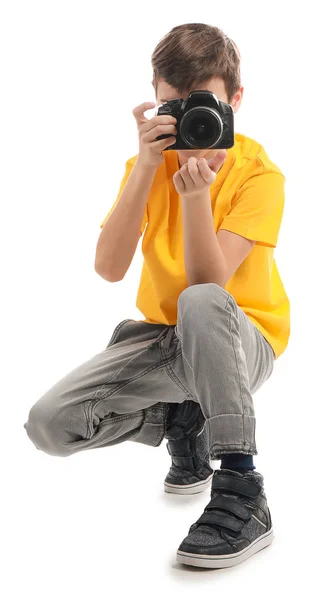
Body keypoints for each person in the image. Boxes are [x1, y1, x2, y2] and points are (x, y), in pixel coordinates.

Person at [23, 22, 290, 569]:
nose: (192, 121)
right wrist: (147, 167)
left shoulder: (258, 174)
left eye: (205, 105)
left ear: (236, 100)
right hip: (166, 341)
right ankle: (180, 420)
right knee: (49, 424)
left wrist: (196, 198)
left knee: (199, 302)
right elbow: (108, 268)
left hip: (241, 342)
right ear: (154, 98)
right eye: (175, 106)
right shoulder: (145, 165)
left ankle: (241, 485)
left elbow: (209, 287)